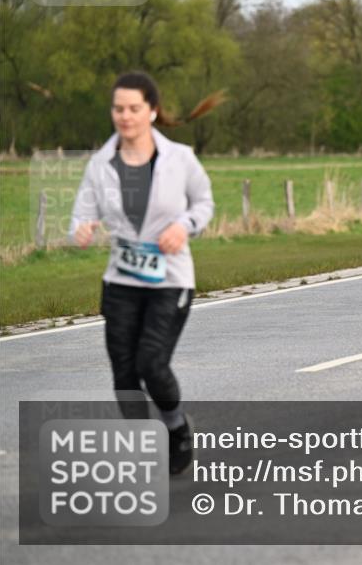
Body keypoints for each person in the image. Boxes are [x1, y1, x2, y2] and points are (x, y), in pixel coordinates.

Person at [70, 71, 216, 476]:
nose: (125, 116)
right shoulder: (101, 163)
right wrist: (81, 227)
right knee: (124, 375)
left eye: (134, 108)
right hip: (120, 282)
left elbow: (204, 204)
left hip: (169, 281)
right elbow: (82, 212)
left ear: (151, 110)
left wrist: (183, 226)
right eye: (118, 108)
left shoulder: (180, 159)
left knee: (151, 364)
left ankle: (175, 427)